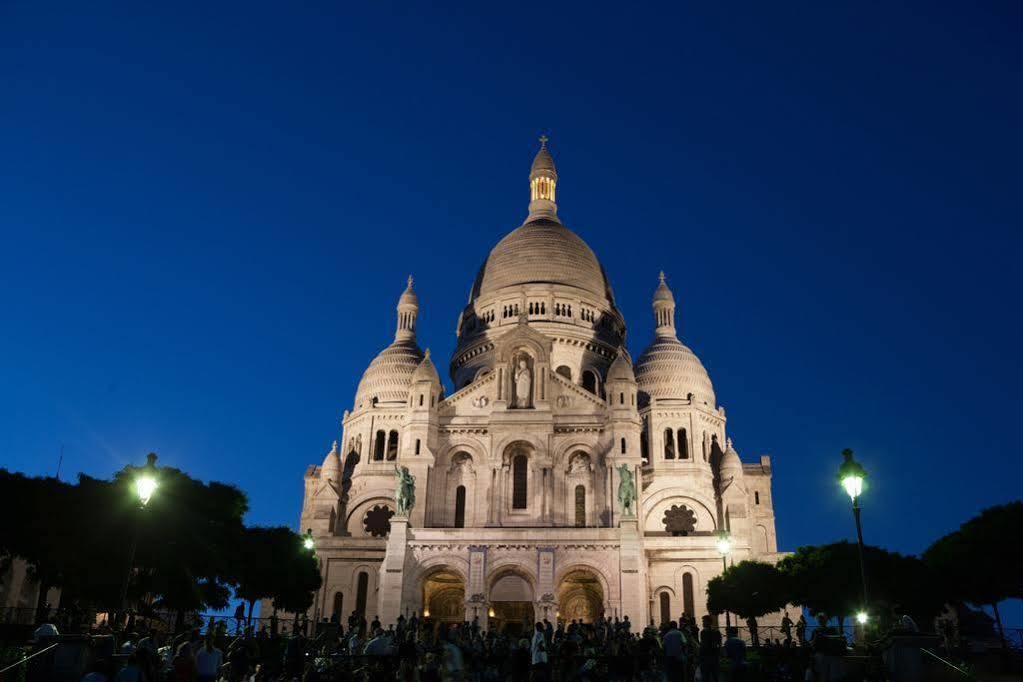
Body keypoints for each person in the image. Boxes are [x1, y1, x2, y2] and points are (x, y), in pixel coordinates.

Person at [698, 615, 722, 682]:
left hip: (707, 657)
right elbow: (719, 644)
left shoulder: (703, 632)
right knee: (714, 676)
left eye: (704, 621)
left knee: (706, 676)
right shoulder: (716, 631)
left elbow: (703, 645)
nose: (703, 623)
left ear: (708, 622)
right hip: (713, 657)